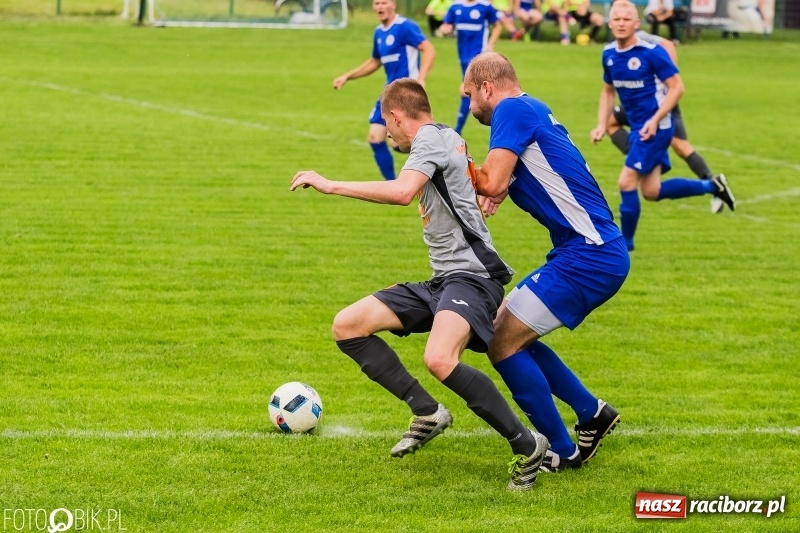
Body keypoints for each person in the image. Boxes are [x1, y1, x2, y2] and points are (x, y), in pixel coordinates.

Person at [291, 78, 549, 491]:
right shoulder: (446, 135)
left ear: (395, 116)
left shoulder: (429, 139)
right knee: (348, 325)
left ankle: (527, 445)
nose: (388, 132)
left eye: (386, 123)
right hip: (444, 281)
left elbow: (402, 192)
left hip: (474, 278)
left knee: (440, 359)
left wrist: (330, 184)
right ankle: (427, 412)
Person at [462, 51, 630, 472]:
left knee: (500, 340)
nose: (469, 106)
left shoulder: (512, 109)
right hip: (587, 251)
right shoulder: (530, 109)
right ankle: (591, 412)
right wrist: (494, 186)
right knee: (506, 331)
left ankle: (561, 449)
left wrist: (447, 156)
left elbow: (492, 179)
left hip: (589, 255)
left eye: (469, 96)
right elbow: (511, 180)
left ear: (487, 87)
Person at [590, 0, 735, 252]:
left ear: (637, 24)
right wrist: (601, 124)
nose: (622, 23)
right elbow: (607, 91)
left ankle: (626, 244)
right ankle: (712, 185)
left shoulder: (651, 52)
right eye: (617, 19)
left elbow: (677, 87)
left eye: (627, 19)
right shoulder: (609, 53)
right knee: (651, 191)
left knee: (626, 182)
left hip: (657, 127)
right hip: (637, 126)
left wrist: (655, 120)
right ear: (610, 23)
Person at [604, 30, 728, 214]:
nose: (620, 21)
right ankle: (644, 157)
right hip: (637, 104)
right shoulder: (614, 46)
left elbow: (668, 45)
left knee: (680, 146)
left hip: (658, 102)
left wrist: (666, 79)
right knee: (611, 124)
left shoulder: (640, 37)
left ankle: (714, 183)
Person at [333, 0, 436, 181]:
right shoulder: (379, 33)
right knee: (375, 138)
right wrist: (347, 76)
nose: (380, 7)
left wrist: (421, 78)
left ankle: (437, 155)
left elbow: (428, 49)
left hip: (406, 92)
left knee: (399, 142)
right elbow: (375, 61)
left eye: (384, 2)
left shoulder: (405, 27)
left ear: (393, 4)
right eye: (377, 3)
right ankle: (392, 184)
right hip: (389, 93)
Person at [439, 0, 503, 135]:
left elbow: (498, 25)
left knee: (470, 90)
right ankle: (497, 125)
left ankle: (458, 130)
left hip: (480, 57)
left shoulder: (484, 6)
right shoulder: (456, 7)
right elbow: (446, 25)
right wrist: (445, 29)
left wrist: (491, 44)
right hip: (463, 57)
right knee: (474, 92)